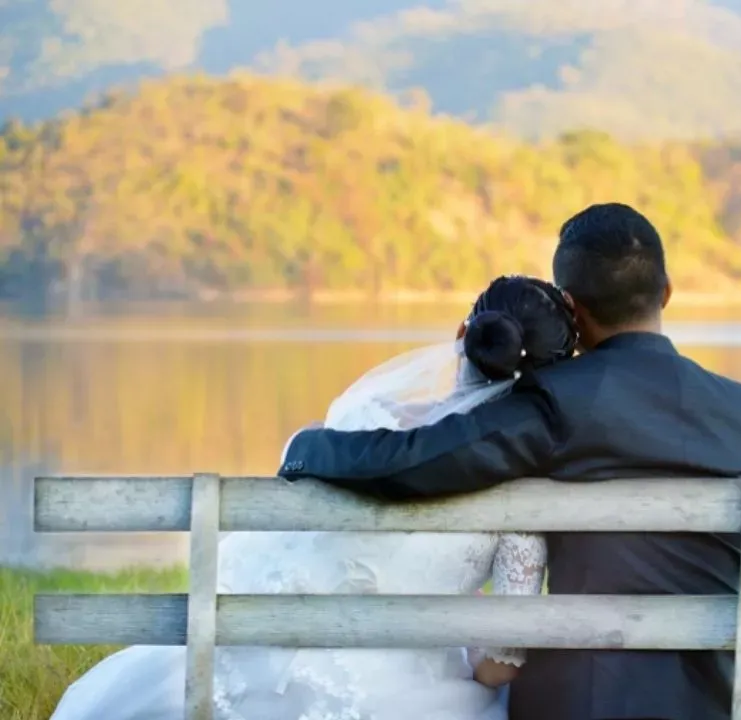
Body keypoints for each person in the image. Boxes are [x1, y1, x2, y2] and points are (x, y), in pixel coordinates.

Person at [280, 203, 741, 720]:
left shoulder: (561, 400)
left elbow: (412, 464)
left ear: (570, 307)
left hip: (591, 703)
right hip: (730, 700)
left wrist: (305, 449)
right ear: (666, 292)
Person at [48, 275, 578, 720]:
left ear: (461, 334)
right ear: (549, 382)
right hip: (401, 696)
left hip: (256, 661)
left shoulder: (360, 422)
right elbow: (498, 665)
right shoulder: (522, 499)